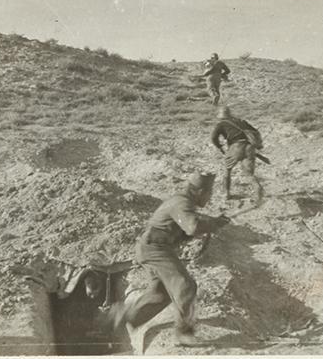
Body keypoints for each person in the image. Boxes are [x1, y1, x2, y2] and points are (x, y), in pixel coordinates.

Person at [107, 172, 229, 345]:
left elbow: (184, 229)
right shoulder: (181, 203)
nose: (209, 198)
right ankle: (184, 334)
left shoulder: (181, 202)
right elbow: (192, 227)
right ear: (200, 191)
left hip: (153, 248)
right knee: (185, 286)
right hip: (155, 249)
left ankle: (124, 314)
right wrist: (213, 223)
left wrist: (214, 222)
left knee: (160, 294)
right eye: (209, 193)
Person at [211, 106, 264, 202]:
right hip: (249, 147)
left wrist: (220, 147)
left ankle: (226, 194)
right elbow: (256, 132)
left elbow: (214, 138)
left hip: (236, 147)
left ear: (220, 116)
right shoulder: (241, 122)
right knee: (248, 173)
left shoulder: (221, 124)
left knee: (227, 170)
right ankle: (257, 188)